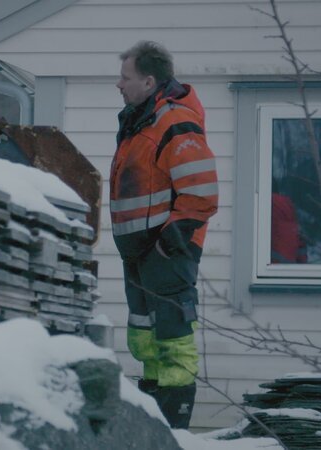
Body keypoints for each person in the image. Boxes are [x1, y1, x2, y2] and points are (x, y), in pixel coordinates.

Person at [111, 41, 218, 429]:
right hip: (139, 254)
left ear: (149, 81)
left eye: (125, 77)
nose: (118, 84)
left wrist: (168, 242)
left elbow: (201, 193)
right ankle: (155, 424)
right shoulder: (139, 122)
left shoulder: (174, 122)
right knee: (145, 340)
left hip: (165, 251)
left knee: (172, 340)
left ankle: (174, 430)